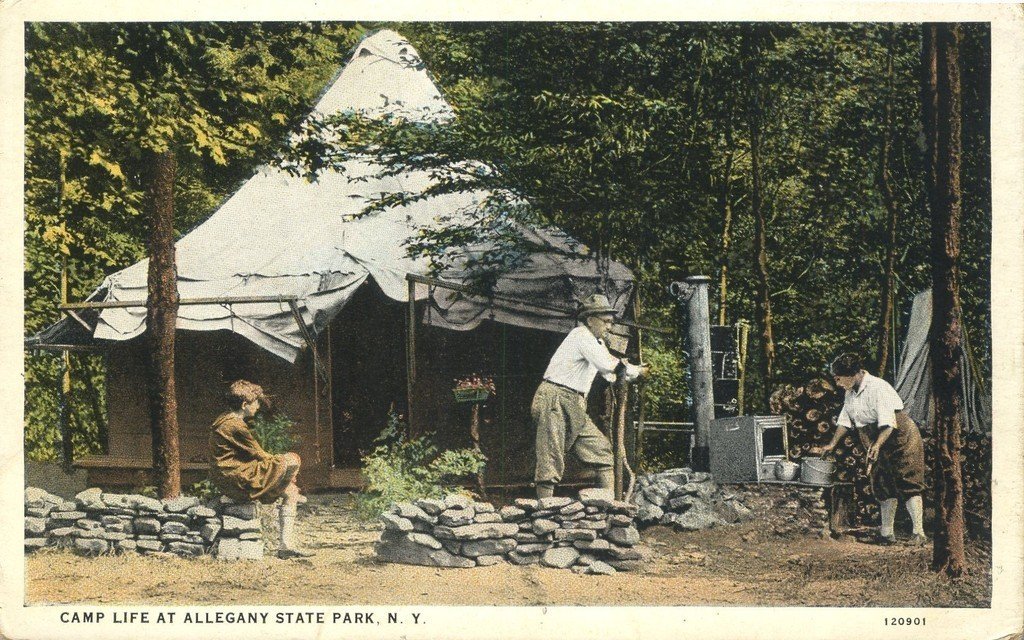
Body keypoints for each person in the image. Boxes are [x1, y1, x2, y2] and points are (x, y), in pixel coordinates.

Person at [532, 293, 648, 499]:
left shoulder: (597, 344)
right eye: (605, 321)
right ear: (590, 319)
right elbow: (610, 366)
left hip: (576, 402)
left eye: (611, 322)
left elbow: (611, 375)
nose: (609, 327)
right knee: (551, 455)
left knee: (602, 452)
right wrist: (636, 371)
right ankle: (544, 512)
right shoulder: (581, 336)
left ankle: (608, 508)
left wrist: (636, 370)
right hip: (555, 397)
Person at [811, 353, 927, 545]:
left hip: (900, 437)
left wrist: (877, 445)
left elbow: (889, 423)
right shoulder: (850, 393)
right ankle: (887, 533)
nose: (837, 383)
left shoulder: (877, 387)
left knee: (908, 479)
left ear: (854, 374)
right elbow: (845, 421)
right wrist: (832, 444)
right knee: (881, 481)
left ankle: (919, 533)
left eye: (839, 378)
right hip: (875, 438)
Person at [209, 379, 313, 559]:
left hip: (230, 476)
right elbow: (260, 455)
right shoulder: (235, 425)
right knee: (293, 459)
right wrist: (287, 471)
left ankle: (286, 546)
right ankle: (285, 543)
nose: (258, 406)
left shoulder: (224, 420)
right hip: (237, 479)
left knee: (290, 492)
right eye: (256, 402)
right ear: (244, 404)